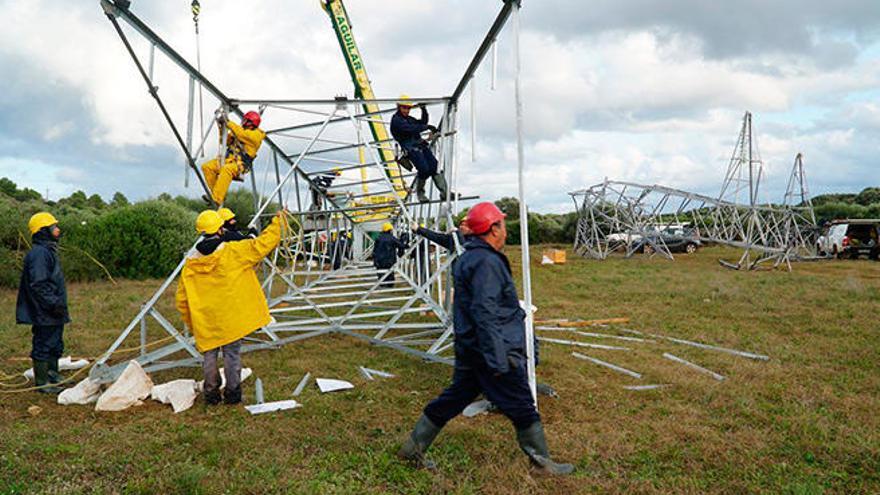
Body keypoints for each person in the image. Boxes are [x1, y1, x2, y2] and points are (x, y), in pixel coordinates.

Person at [397, 202, 573, 475]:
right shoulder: (487, 262)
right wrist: (498, 359)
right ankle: (542, 464)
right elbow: (485, 312)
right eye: (502, 225)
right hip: (492, 350)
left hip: (472, 348)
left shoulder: (470, 256)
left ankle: (412, 449)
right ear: (493, 229)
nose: (505, 231)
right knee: (522, 404)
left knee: (453, 399)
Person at [175, 209, 284, 405]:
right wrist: (278, 222)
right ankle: (233, 395)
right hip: (231, 320)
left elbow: (181, 299)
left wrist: (192, 323)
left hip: (206, 321)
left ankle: (211, 395)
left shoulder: (190, 263)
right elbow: (262, 244)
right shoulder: (232, 251)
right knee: (232, 356)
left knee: (209, 356)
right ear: (220, 229)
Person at [16, 212, 70, 395]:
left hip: (53, 310)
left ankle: (52, 375)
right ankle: (42, 382)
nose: (58, 230)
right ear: (44, 230)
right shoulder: (40, 254)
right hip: (45, 310)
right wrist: (54, 303)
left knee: (55, 343)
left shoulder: (47, 251)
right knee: (43, 344)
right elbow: (39, 284)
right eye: (54, 227)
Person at [390, 95, 451, 202]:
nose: (406, 110)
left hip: (421, 146)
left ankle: (445, 193)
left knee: (435, 167)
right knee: (424, 170)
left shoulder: (409, 119)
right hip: (411, 148)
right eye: (404, 108)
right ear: (399, 107)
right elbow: (410, 129)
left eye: (408, 108)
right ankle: (420, 194)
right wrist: (427, 127)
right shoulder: (396, 120)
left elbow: (422, 122)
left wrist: (423, 110)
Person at [201, 111, 266, 205]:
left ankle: (217, 199)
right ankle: (217, 194)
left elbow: (241, 134)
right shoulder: (239, 130)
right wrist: (222, 127)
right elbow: (224, 141)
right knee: (207, 167)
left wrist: (228, 122)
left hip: (240, 165)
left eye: (245, 120)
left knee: (227, 169)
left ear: (249, 122)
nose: (243, 121)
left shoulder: (256, 135)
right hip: (228, 160)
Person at [373, 222, 406, 288]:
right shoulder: (391, 238)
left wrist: (375, 260)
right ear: (390, 230)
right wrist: (404, 239)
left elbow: (375, 250)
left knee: (381, 273)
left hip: (379, 260)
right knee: (390, 273)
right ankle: (389, 285)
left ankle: (382, 284)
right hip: (389, 260)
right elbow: (401, 245)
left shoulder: (378, 238)